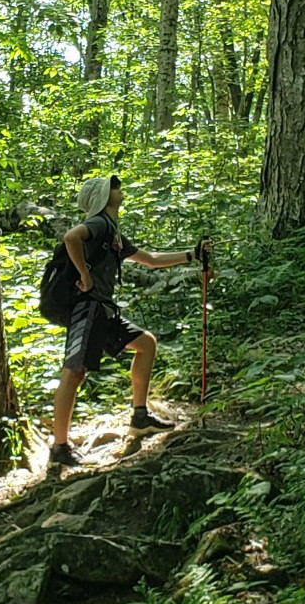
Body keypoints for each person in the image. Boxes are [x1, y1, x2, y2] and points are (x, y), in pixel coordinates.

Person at [50, 174, 212, 467]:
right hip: (87, 308)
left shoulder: (112, 234)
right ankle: (59, 448)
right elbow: (71, 237)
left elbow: (151, 260)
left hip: (103, 311)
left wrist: (193, 255)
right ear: (103, 196)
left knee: (146, 344)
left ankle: (140, 416)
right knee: (73, 373)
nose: (119, 189)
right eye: (114, 187)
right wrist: (85, 275)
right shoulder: (99, 223)